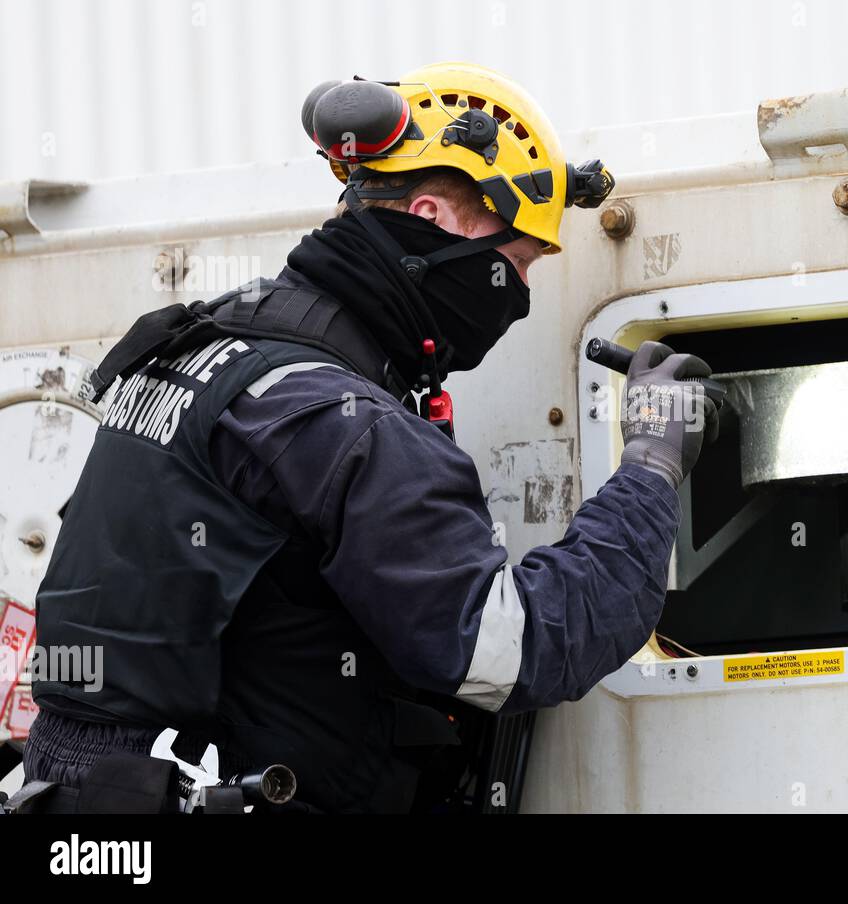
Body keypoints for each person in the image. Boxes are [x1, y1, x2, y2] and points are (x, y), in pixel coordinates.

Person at [19, 63, 718, 813]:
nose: (518, 297)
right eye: (514, 265)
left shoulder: (201, 344)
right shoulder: (339, 422)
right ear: (436, 217)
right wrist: (649, 463)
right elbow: (515, 652)